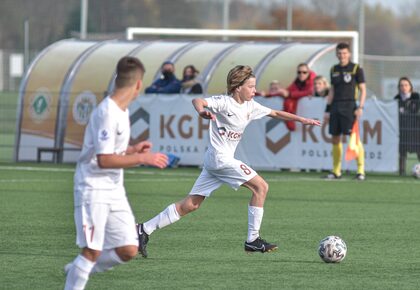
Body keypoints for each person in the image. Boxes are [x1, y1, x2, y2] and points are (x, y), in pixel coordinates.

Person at [136, 65, 321, 257]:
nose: (254, 90)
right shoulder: (224, 102)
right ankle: (252, 240)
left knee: (191, 205)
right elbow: (197, 100)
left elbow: (275, 113)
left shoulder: (251, 105)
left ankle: (144, 229)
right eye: (251, 86)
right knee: (261, 187)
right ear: (237, 87)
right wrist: (201, 112)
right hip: (220, 159)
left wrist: (302, 119)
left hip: (215, 161)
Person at [64, 56, 168, 290]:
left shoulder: (122, 111)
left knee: (129, 248)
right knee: (92, 250)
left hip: (114, 189)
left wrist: (132, 149)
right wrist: (142, 158)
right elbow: (103, 160)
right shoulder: (107, 112)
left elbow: (112, 151)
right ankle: (79, 272)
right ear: (138, 84)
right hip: (93, 188)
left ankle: (78, 269)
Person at [324, 42, 366, 181]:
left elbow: (363, 89)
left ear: (349, 54)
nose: (342, 55)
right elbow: (332, 90)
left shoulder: (356, 68)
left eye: (344, 53)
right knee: (335, 138)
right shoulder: (333, 69)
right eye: (340, 53)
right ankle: (336, 171)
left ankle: (360, 171)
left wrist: (360, 107)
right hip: (335, 106)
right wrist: (327, 109)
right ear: (337, 54)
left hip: (350, 106)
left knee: (353, 138)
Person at [276, 63, 316, 131]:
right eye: (299, 72)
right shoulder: (297, 81)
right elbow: (287, 91)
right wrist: (268, 94)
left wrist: (290, 94)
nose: (301, 74)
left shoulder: (314, 80)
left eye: (304, 72)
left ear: (308, 72)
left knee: (289, 102)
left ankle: (290, 123)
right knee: (288, 102)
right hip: (301, 122)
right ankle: (290, 124)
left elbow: (309, 92)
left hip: (311, 118)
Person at [394, 76, 420, 175]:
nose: (404, 87)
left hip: (415, 129)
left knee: (418, 150)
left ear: (410, 87)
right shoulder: (396, 99)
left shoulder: (416, 97)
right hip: (402, 130)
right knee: (402, 152)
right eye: (401, 85)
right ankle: (402, 171)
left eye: (406, 85)